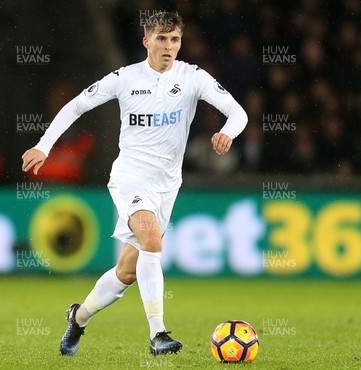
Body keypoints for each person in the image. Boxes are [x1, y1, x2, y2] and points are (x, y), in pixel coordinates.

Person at [21, 11, 247, 357]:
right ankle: (158, 333)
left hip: (167, 184)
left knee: (127, 270)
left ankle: (77, 317)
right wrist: (43, 145)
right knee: (152, 238)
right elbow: (76, 106)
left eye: (174, 40)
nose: (168, 47)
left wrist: (227, 133)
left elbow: (238, 113)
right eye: (161, 39)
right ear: (146, 41)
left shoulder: (193, 77)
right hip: (129, 175)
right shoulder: (125, 78)